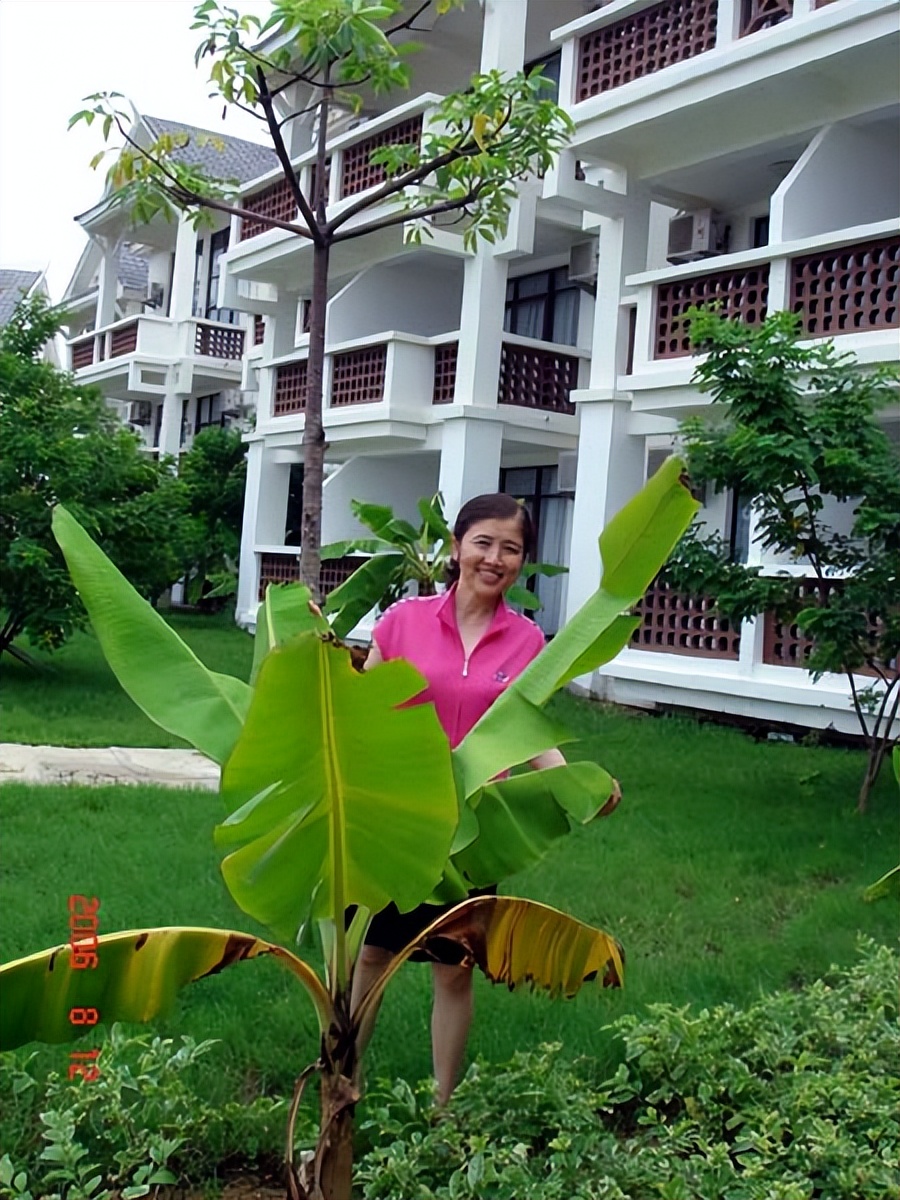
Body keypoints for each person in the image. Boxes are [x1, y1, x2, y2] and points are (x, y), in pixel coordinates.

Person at [350, 492, 620, 1106]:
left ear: (522, 560)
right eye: (484, 543)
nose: (495, 558)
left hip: (476, 831)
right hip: (396, 818)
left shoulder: (526, 641)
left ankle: (443, 1108)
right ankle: (344, 1090)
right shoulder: (403, 622)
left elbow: (525, 735)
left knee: (455, 970)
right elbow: (361, 709)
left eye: (511, 548)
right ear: (457, 546)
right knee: (369, 958)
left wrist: (578, 789)